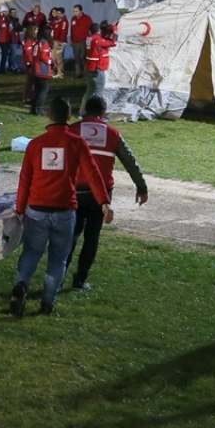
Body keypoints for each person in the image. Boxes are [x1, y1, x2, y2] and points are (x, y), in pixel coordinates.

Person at [10, 97, 112, 317]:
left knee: (31, 252)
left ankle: (21, 283)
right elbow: (94, 174)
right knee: (58, 258)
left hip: (36, 208)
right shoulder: (78, 143)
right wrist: (104, 202)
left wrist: (19, 209)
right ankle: (47, 302)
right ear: (69, 117)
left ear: (48, 116)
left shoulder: (35, 144)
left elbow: (25, 180)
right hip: (64, 210)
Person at [67, 96, 148, 291]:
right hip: (101, 194)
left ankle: (58, 277)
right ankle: (79, 280)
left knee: (71, 235)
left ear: (84, 110)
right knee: (92, 237)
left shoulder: (71, 130)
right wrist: (141, 186)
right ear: (104, 114)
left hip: (73, 192)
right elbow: (130, 161)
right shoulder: (112, 134)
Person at [81, 22, 118, 113]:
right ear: (99, 30)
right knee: (99, 92)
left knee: (89, 91)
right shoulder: (98, 40)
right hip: (97, 69)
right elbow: (112, 43)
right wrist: (114, 32)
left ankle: (82, 111)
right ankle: (95, 112)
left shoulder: (89, 38)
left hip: (89, 67)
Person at [29, 24, 55, 116]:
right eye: (52, 32)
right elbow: (44, 56)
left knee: (37, 89)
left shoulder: (37, 42)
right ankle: (40, 109)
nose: (53, 34)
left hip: (36, 69)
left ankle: (33, 108)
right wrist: (51, 62)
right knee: (44, 89)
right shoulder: (44, 43)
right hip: (42, 70)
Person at [69, 5, 93, 78]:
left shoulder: (87, 18)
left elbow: (91, 29)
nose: (75, 13)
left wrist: (90, 40)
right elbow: (72, 30)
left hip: (84, 41)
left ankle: (86, 73)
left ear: (81, 11)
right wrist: (71, 40)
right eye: (74, 11)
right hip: (75, 41)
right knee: (76, 58)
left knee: (83, 57)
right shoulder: (73, 19)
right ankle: (78, 73)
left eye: (76, 11)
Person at [0, 6, 14, 74]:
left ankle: (4, 67)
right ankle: (2, 69)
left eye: (6, 12)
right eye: (4, 12)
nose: (5, 13)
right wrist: (2, 17)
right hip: (2, 39)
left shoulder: (8, 20)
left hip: (7, 39)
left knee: (6, 54)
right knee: (4, 54)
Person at [21, 24, 38, 106]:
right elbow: (28, 54)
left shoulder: (35, 40)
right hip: (30, 64)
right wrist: (31, 63)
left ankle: (29, 97)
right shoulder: (28, 41)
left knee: (32, 81)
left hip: (33, 64)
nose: (37, 31)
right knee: (29, 82)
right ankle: (26, 98)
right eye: (36, 30)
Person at [48, 8, 69, 72]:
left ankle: (60, 72)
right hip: (54, 41)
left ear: (63, 13)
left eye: (60, 13)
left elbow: (63, 32)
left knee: (59, 58)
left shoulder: (64, 21)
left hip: (59, 42)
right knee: (53, 57)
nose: (58, 15)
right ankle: (53, 71)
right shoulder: (56, 20)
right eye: (58, 13)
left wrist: (60, 42)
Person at [7, 8, 24, 72]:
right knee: (14, 54)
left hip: (16, 39)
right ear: (10, 13)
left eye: (15, 12)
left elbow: (21, 28)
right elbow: (13, 27)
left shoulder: (16, 20)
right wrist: (16, 27)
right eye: (13, 12)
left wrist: (16, 28)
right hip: (12, 39)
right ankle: (14, 66)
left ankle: (11, 66)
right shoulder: (9, 20)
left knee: (13, 54)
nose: (14, 14)